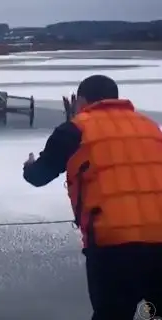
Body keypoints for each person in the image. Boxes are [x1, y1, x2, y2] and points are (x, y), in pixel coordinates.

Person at [22, 75, 162, 320]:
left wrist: (29, 166)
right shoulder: (150, 127)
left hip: (113, 244)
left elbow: (39, 176)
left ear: (82, 100)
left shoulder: (74, 130)